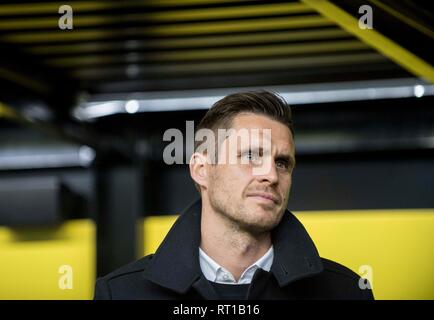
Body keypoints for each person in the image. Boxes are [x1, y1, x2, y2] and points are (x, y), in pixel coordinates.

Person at [94, 91, 374, 300]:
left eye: (282, 162)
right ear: (201, 170)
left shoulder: (346, 292)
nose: (272, 175)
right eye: (251, 155)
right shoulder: (120, 294)